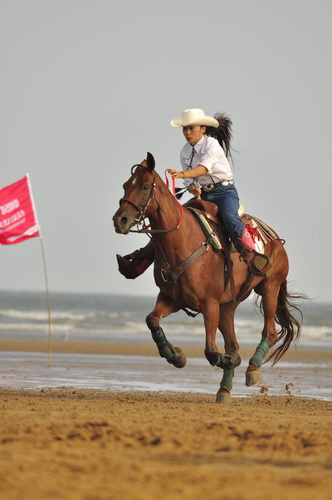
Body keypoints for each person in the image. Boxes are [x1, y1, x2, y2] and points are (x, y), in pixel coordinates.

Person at [117, 108, 270, 279]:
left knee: (230, 218)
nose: (187, 133)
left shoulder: (212, 145)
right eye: (185, 129)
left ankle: (253, 255)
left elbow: (203, 168)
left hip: (225, 192)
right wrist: (192, 188)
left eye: (192, 128)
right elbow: (191, 180)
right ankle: (138, 263)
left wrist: (182, 175)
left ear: (203, 129)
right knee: (172, 221)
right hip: (204, 195)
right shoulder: (184, 151)